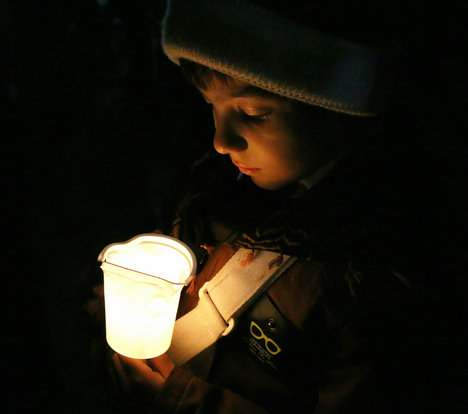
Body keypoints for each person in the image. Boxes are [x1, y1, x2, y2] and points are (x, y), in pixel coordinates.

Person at [96, 1, 463, 413]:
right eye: (210, 106)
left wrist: (184, 400)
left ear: (338, 108)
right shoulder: (218, 190)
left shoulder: (372, 282)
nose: (221, 142)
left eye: (254, 113)